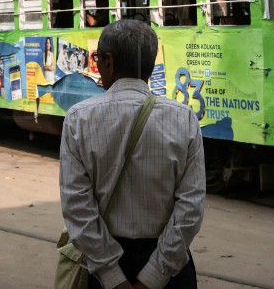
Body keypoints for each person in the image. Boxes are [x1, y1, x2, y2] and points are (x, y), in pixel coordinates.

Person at [60, 20, 205, 289]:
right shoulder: (184, 118)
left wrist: (114, 279)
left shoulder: (79, 119)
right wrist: (153, 277)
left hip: (103, 269)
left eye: (97, 59)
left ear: (109, 62)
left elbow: (77, 208)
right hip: (170, 271)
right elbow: (191, 208)